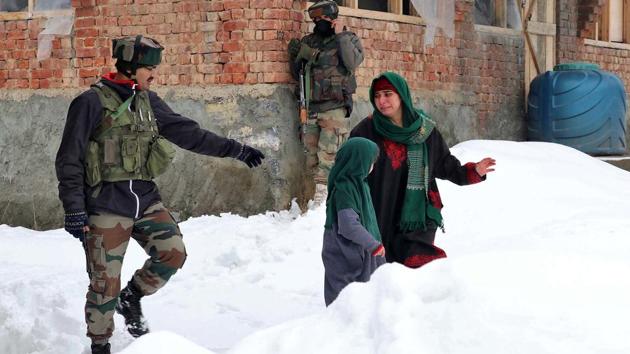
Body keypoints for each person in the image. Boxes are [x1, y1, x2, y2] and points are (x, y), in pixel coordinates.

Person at [55, 35, 264, 354]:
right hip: (105, 204)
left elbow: (189, 134)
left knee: (173, 252)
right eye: (149, 68)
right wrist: (74, 209)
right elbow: (69, 158)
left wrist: (236, 149)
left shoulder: (148, 101)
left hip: (145, 199)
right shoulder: (90, 102)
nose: (154, 74)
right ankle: (100, 345)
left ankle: (133, 297)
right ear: (130, 66)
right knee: (104, 284)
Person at [350, 72, 496, 268]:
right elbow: (349, 173)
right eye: (377, 96)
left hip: (416, 217)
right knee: (380, 271)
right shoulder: (365, 131)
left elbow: (445, 164)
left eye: (387, 94)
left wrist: (473, 171)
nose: (382, 101)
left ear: (401, 95)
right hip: (379, 211)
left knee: (418, 267)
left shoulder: (424, 130)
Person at [287, 0, 364, 202]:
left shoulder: (348, 39)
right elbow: (298, 74)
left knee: (328, 157)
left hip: (335, 108)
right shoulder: (310, 41)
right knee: (311, 156)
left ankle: (324, 202)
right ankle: (317, 200)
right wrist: (294, 56)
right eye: (316, 18)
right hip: (311, 107)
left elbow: (352, 62)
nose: (320, 22)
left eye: (324, 18)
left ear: (333, 17)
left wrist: (341, 35)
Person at [322, 137, 386, 306]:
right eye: (370, 161)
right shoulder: (345, 189)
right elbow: (348, 225)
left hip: (361, 251)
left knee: (365, 300)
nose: (372, 166)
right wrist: (373, 245)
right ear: (359, 161)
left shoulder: (359, 183)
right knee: (344, 301)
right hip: (346, 255)